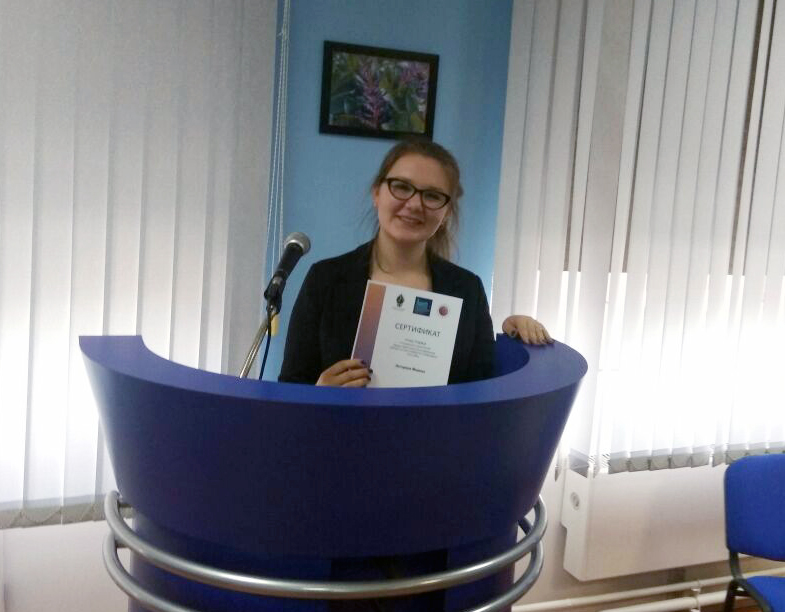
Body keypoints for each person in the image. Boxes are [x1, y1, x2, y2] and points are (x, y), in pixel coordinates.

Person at [278, 138, 552, 388]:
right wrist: (319, 392)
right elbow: (291, 385)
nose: (414, 204)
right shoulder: (326, 279)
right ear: (377, 193)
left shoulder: (467, 289)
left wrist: (514, 336)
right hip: (338, 428)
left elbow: (481, 391)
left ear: (446, 211)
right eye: (402, 187)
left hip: (436, 430)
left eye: (432, 195)